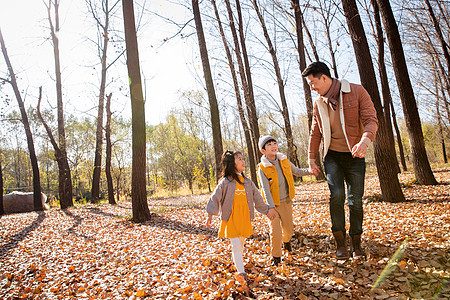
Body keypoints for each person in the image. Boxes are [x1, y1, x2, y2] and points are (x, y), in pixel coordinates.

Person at [302, 61, 378, 259]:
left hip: (355, 155)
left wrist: (365, 141)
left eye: (312, 83)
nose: (311, 87)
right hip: (332, 157)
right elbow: (315, 132)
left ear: (324, 78)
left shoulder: (357, 91)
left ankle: (357, 244)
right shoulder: (319, 103)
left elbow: (371, 119)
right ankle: (340, 244)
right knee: (336, 196)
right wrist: (311, 158)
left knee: (355, 201)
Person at [206, 151, 276, 284]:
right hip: (231, 217)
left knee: (241, 244)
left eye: (243, 158)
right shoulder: (225, 182)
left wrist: (267, 211)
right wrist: (210, 214)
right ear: (233, 163)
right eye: (239, 159)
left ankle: (237, 260)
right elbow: (215, 197)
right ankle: (241, 271)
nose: (243, 161)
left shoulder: (248, 182)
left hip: (244, 217)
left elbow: (257, 198)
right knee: (236, 244)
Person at [257, 136, 313, 266]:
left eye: (274, 143)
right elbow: (265, 189)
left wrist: (310, 171)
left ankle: (286, 241)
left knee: (288, 230)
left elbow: (297, 171)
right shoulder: (262, 168)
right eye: (269, 144)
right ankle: (276, 257)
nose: (273, 146)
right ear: (263, 150)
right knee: (275, 232)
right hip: (272, 206)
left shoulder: (284, 160)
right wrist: (269, 207)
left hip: (286, 201)